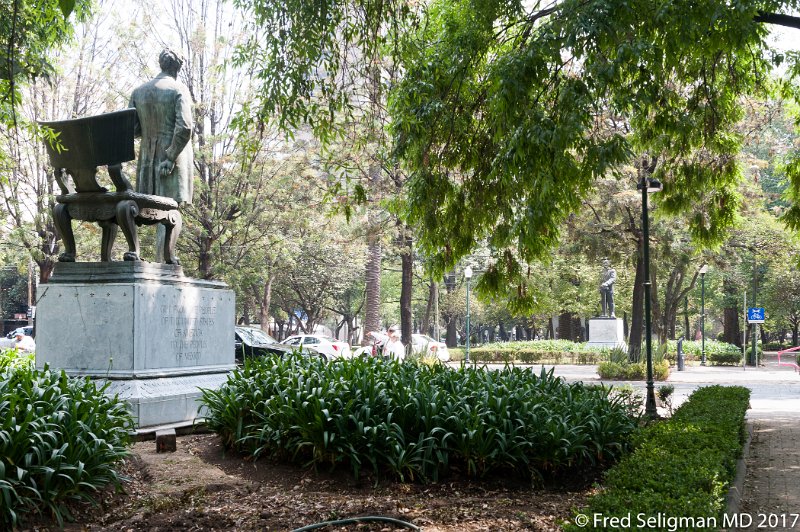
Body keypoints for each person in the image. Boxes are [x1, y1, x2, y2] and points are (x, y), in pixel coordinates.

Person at [129, 49, 194, 262]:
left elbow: (132, 129)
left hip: (148, 158)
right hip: (171, 158)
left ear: (161, 64)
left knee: (148, 208)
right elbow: (184, 127)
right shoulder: (179, 89)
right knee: (171, 210)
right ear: (177, 68)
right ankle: (166, 259)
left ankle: (143, 256)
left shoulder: (139, 92)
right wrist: (171, 156)